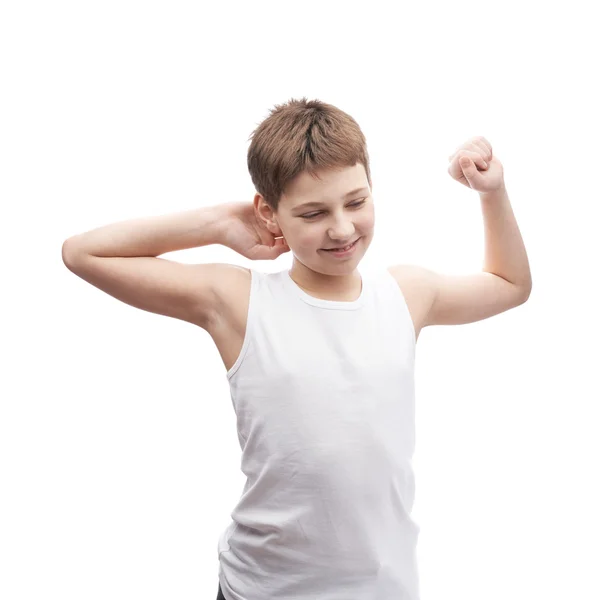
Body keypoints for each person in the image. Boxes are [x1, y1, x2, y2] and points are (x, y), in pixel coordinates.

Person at [62, 97, 532, 600]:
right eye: (313, 212)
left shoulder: (406, 295)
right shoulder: (240, 303)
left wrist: (492, 192)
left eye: (356, 202)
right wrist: (220, 223)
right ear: (270, 212)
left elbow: (509, 283)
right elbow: (82, 253)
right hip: (264, 589)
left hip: (384, 589)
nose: (343, 228)